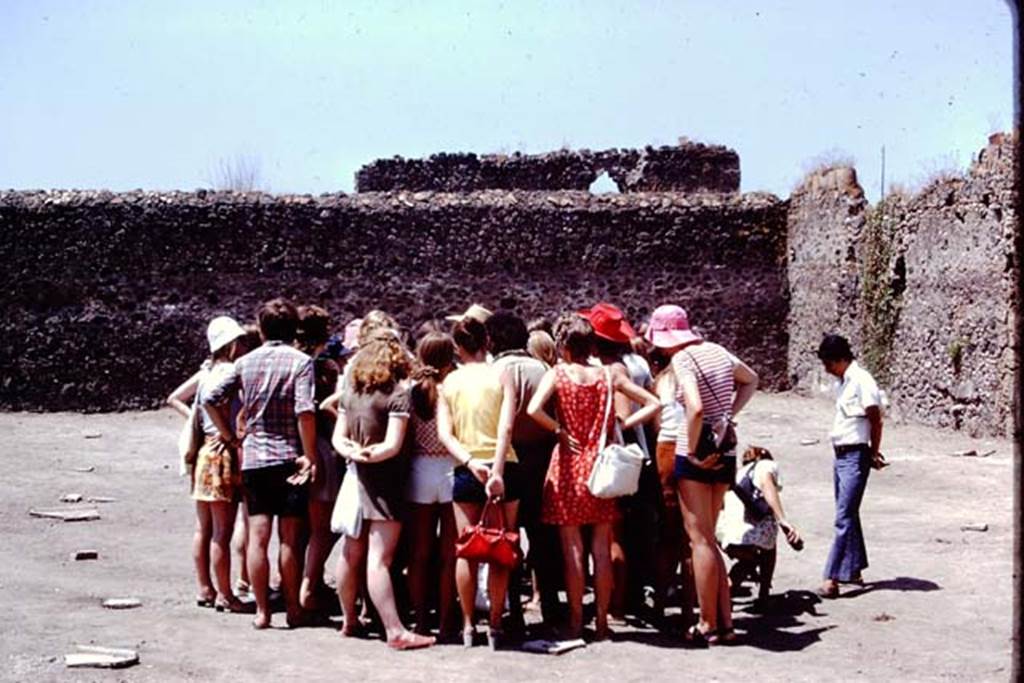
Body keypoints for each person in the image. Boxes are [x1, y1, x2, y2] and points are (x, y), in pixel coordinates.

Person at [527, 313, 659, 641]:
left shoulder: (558, 374)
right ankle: (602, 621)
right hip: (601, 466)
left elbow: (533, 409)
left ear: (564, 345)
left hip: (569, 466)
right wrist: (622, 426)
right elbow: (653, 402)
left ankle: (575, 620)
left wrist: (558, 430)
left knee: (573, 549)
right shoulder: (607, 375)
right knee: (601, 548)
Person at [202, 298, 318, 630]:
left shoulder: (244, 363)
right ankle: (293, 609)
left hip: (254, 457)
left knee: (258, 537)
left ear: (262, 327)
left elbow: (211, 398)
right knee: (290, 539)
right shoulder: (301, 362)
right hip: (290, 458)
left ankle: (263, 612)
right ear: (293, 328)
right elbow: (304, 411)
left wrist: (230, 435)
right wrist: (309, 455)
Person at [651, 304, 758, 646]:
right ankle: (725, 623)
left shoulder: (682, 361)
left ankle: (706, 621)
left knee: (699, 541)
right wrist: (727, 416)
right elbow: (751, 379)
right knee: (709, 540)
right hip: (725, 450)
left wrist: (693, 450)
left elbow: (695, 407)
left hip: (694, 452)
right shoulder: (717, 351)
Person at [331, 335, 434, 650]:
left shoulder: (351, 394)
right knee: (380, 559)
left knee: (351, 553)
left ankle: (349, 620)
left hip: (355, 478)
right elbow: (393, 445)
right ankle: (395, 630)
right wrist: (371, 455)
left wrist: (353, 452)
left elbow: (340, 438)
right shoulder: (397, 397)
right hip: (386, 483)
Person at [436, 317, 519, 650]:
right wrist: (496, 470)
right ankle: (495, 625)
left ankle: (469, 625)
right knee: (500, 549)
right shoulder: (502, 374)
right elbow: (506, 428)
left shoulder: (449, 382)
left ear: (457, 347)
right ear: (487, 340)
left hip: (465, 468)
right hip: (503, 466)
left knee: (466, 550)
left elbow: (445, 434)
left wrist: (471, 463)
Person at [580, 301, 657, 620]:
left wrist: (616, 427)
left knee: (615, 535)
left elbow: (625, 413)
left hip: (619, 461)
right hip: (641, 455)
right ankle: (629, 596)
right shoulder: (637, 363)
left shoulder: (614, 370)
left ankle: (617, 604)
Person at [167, 315, 248, 612]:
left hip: (202, 451)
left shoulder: (206, 372)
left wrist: (196, 421)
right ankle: (226, 594)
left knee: (203, 527)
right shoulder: (231, 372)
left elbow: (174, 398)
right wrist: (226, 433)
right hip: (221, 452)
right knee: (222, 531)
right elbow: (216, 404)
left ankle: (206, 588)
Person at [487, 309, 560, 630]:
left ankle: (512, 607)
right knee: (544, 536)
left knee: (508, 536)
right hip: (543, 458)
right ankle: (550, 605)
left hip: (508, 458)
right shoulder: (543, 369)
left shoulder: (493, 371)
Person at [816, 334, 885, 599]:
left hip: (856, 455)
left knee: (843, 516)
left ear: (840, 360)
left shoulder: (862, 380)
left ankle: (831, 577)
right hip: (841, 454)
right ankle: (853, 569)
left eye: (828, 363)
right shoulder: (845, 382)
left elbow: (876, 419)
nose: (826, 369)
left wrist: (874, 452)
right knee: (848, 512)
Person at [405, 332, 459, 639]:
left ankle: (422, 618)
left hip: (419, 469)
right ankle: (448, 617)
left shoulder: (410, 391)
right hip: (449, 467)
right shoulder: (451, 390)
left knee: (419, 552)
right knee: (449, 553)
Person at [295, 305, 343, 613]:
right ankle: (309, 588)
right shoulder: (324, 368)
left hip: (295, 448)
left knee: (303, 528)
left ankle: (302, 582)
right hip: (322, 449)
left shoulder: (293, 363)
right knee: (323, 529)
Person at [717, 446, 802, 609]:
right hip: (753, 535)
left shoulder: (736, 474)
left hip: (728, 535)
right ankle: (764, 594)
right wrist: (783, 521)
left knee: (748, 560)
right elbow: (767, 485)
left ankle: (726, 592)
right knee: (768, 546)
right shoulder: (766, 466)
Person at [648, 346, 693, 626]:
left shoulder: (662, 381)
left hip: (666, 448)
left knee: (668, 533)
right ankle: (691, 608)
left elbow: (655, 424)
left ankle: (661, 604)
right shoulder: (692, 377)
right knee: (693, 535)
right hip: (693, 446)